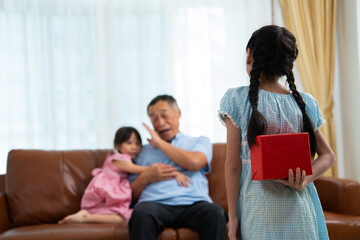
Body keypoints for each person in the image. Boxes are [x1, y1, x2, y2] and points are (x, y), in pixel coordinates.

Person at [219, 25, 336, 240]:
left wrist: (232, 218)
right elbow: (328, 156)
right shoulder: (305, 103)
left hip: (258, 212)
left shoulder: (235, 100)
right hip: (300, 212)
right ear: (287, 64)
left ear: (250, 55)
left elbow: (232, 166)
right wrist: (305, 179)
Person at [128, 95, 228, 240]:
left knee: (215, 212)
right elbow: (129, 195)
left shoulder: (199, 142)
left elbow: (194, 163)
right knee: (141, 214)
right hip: (154, 205)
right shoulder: (141, 151)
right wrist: (146, 176)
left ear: (178, 113)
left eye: (164, 115)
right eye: (154, 118)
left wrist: (160, 143)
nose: (160, 122)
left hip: (193, 204)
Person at [59, 126, 190, 224]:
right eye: (129, 143)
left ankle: (87, 217)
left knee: (126, 217)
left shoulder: (125, 157)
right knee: (129, 217)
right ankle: (85, 217)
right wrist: (164, 171)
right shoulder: (118, 158)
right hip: (104, 191)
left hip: (111, 193)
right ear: (118, 145)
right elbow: (135, 169)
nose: (134, 147)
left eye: (137, 143)